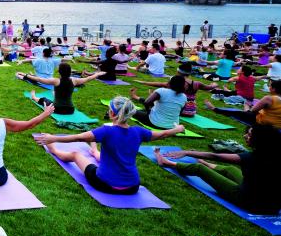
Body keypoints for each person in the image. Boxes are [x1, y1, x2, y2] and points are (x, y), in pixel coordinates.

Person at [35, 97, 185, 195]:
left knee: (76, 154)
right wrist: (177, 129)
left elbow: (77, 137)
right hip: (132, 187)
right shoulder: (139, 132)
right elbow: (162, 134)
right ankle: (94, 151)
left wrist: (52, 138)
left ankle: (53, 149)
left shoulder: (107, 131)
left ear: (113, 114)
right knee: (108, 156)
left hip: (105, 184)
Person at [153, 124, 281, 214]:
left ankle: (167, 163)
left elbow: (215, 156)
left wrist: (187, 152)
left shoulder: (251, 157)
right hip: (272, 205)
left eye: (249, 135)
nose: (245, 136)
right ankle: (207, 164)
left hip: (248, 200)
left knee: (199, 169)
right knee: (231, 169)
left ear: (259, 140)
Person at [135, 62, 216, 117]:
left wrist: (144, 82)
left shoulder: (176, 82)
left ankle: (136, 98)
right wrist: (214, 84)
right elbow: (209, 87)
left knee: (156, 98)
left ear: (178, 72)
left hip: (178, 110)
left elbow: (162, 84)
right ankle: (136, 97)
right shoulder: (197, 83)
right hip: (191, 111)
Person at [26, 63, 105, 115]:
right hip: (70, 110)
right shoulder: (75, 80)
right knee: (55, 93)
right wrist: (97, 74)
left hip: (57, 109)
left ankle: (34, 97)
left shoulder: (56, 81)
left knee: (43, 99)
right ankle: (51, 95)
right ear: (70, 72)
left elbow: (39, 79)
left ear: (59, 72)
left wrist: (27, 76)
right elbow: (88, 78)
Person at [204, 80, 281, 129]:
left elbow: (253, 111)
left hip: (265, 124)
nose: (269, 88)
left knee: (238, 112)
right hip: (277, 125)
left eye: (270, 86)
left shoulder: (269, 98)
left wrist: (247, 106)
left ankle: (214, 108)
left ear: (274, 89)